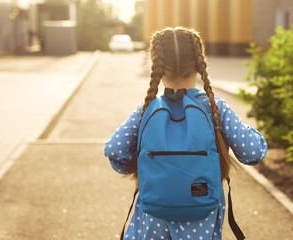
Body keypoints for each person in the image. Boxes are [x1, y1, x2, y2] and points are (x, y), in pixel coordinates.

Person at [104, 26, 267, 240]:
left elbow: (114, 150)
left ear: (156, 66)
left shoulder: (146, 109)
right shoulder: (215, 108)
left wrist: (143, 167)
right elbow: (253, 152)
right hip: (201, 220)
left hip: (150, 220)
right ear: (200, 64)